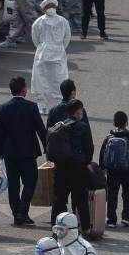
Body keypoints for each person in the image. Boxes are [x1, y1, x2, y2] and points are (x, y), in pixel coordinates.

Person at [0, 77, 47, 225]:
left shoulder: (3, 108)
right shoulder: (31, 107)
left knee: (13, 184)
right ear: (23, 89)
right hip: (28, 152)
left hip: (10, 153)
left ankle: (16, 213)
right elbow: (40, 129)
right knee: (31, 181)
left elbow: (0, 133)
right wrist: (48, 148)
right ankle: (22, 211)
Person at [50, 99, 94, 232]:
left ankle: (57, 226)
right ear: (78, 111)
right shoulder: (82, 126)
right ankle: (85, 227)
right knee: (80, 198)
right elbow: (89, 148)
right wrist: (87, 162)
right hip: (77, 167)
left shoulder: (60, 126)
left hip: (61, 166)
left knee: (59, 198)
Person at [98, 110, 129, 227]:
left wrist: (103, 168)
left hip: (112, 171)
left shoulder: (109, 136)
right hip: (127, 171)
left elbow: (102, 154)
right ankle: (126, 218)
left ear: (114, 123)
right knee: (127, 194)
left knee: (112, 194)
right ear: (126, 123)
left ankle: (111, 219)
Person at [30, 0, 71, 114]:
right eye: (49, 7)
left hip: (44, 53)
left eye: (51, 6)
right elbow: (67, 38)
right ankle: (53, 105)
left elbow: (35, 38)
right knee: (56, 78)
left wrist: (42, 47)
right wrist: (60, 48)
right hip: (54, 53)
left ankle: (44, 105)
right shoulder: (62, 21)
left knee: (43, 79)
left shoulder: (40, 21)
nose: (50, 9)